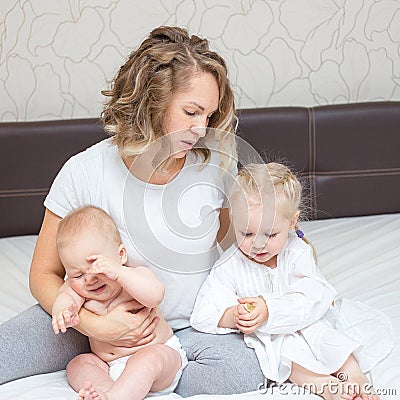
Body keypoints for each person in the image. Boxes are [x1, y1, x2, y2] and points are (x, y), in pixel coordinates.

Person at [0, 26, 265, 395]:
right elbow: (43, 274)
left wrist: (288, 259)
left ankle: (139, 377)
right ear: (152, 101)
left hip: (186, 329)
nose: (201, 128)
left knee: (244, 373)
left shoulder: (212, 166)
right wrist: (95, 327)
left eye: (209, 115)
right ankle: (114, 370)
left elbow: (243, 247)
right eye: (191, 111)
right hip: (89, 322)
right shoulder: (85, 170)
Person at [190, 163, 390, 400]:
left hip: (306, 319)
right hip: (272, 336)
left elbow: (315, 294)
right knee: (284, 350)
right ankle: (325, 386)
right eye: (247, 233)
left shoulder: (297, 252)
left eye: (271, 234)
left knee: (325, 336)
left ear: (292, 222)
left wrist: (271, 309)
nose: (258, 244)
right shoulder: (229, 264)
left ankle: (355, 376)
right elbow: (204, 313)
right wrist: (234, 314)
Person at [52, 205, 187, 400]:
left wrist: (120, 274)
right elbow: (63, 298)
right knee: (78, 364)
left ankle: (114, 398)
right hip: (111, 366)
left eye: (98, 267)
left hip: (160, 357)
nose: (90, 279)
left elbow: (155, 295)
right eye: (78, 274)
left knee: (147, 360)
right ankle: (104, 390)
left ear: (121, 255)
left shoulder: (133, 276)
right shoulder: (77, 288)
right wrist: (62, 311)